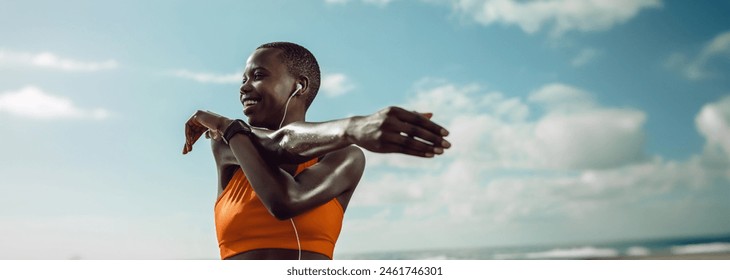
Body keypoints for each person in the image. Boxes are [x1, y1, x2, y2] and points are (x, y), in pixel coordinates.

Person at [183, 42, 450, 260]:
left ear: (300, 85)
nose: (243, 87)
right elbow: (276, 145)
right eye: (243, 79)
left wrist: (353, 129)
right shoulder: (228, 142)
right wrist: (356, 127)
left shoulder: (345, 158)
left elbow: (286, 197)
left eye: (258, 75)